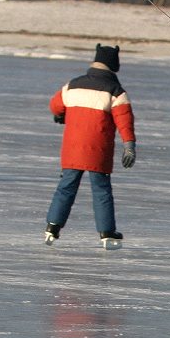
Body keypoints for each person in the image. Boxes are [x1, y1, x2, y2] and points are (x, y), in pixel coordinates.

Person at [45, 44, 136, 250]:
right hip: (98, 149)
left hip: (72, 147)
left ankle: (52, 226)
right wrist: (129, 145)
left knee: (66, 187)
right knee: (101, 190)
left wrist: (62, 114)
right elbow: (125, 121)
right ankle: (106, 231)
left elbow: (55, 105)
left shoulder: (73, 85)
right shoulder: (116, 92)